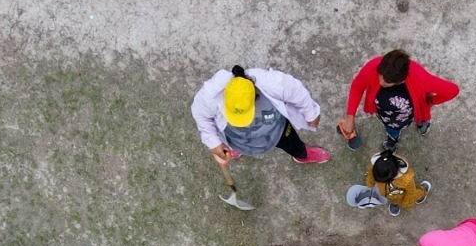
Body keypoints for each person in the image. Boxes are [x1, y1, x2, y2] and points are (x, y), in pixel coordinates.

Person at [192, 65, 330, 169]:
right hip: (237, 138)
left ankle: (302, 155)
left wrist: (311, 113)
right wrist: (214, 143)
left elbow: (296, 91)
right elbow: (201, 116)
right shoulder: (209, 95)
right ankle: (233, 149)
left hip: (277, 131)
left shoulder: (271, 83)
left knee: (293, 143)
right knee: (233, 144)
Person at [337, 49, 459, 151]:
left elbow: (452, 90)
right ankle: (394, 137)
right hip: (388, 117)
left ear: (401, 80)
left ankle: (421, 123)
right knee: (392, 129)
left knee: (421, 116)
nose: (380, 82)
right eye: (380, 76)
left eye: (387, 82)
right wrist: (350, 116)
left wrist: (431, 101)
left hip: (408, 113)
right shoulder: (374, 66)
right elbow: (357, 87)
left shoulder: (420, 77)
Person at [367, 149, 430, 214]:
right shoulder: (377, 166)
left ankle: (422, 192)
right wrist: (370, 183)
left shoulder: (406, 179)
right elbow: (371, 173)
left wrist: (407, 203)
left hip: (401, 195)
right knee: (392, 198)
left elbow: (410, 192)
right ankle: (395, 204)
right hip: (388, 194)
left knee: (413, 196)